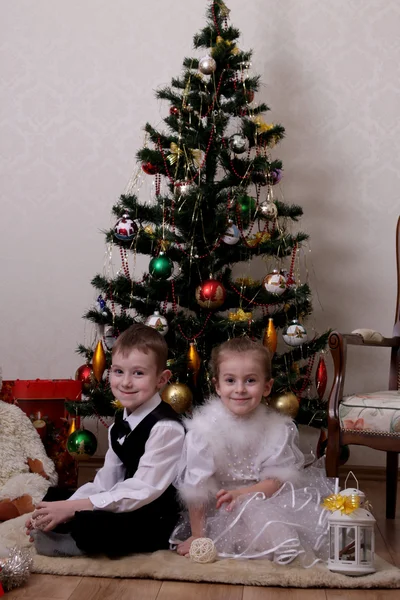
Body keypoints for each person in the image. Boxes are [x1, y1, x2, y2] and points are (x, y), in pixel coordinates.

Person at [171, 336, 335, 566]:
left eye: (250, 381)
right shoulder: (204, 430)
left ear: (266, 387)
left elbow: (275, 481)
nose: (239, 389)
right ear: (218, 386)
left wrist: (243, 495)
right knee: (242, 516)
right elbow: (196, 488)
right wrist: (198, 534)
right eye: (230, 380)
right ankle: (272, 543)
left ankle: (284, 546)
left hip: (263, 497)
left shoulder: (277, 429)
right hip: (219, 507)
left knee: (263, 513)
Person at [26, 323, 185, 557]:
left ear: (162, 379)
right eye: (119, 371)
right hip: (126, 499)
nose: (125, 382)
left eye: (138, 373)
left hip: (157, 513)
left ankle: (75, 541)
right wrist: (65, 505)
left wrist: (73, 508)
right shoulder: (120, 422)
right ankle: (53, 524)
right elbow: (106, 481)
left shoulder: (166, 427)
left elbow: (141, 491)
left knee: (96, 522)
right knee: (55, 496)